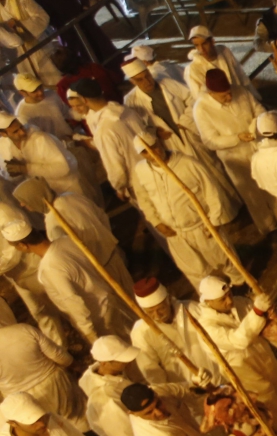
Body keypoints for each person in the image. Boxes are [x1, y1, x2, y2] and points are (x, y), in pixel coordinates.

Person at [189, 277, 277, 436]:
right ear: (209, 302)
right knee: (272, 410)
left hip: (264, 357)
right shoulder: (207, 327)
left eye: (229, 294)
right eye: (222, 299)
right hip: (244, 370)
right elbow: (238, 340)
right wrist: (257, 311)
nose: (229, 300)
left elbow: (266, 325)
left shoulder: (240, 303)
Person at [130, 133, 243, 289]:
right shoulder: (140, 171)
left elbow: (211, 191)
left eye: (154, 146)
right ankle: (210, 297)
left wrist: (214, 220)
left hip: (201, 225)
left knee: (224, 258)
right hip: (175, 232)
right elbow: (144, 200)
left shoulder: (188, 164)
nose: (152, 153)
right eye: (145, 152)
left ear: (160, 142)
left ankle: (240, 283)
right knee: (194, 270)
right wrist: (156, 222)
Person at [3, 217, 133, 345]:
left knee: (126, 350)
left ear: (22, 246)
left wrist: (88, 331)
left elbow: (72, 301)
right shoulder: (66, 241)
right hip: (109, 299)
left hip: (99, 315)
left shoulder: (50, 268)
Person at [193, 69, 277, 236]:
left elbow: (259, 109)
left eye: (229, 93)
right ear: (211, 93)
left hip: (257, 147)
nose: (230, 97)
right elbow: (210, 140)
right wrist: (237, 137)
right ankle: (269, 227)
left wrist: (254, 126)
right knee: (252, 193)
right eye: (224, 96)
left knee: (270, 181)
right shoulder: (201, 109)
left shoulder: (240, 91)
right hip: (235, 157)